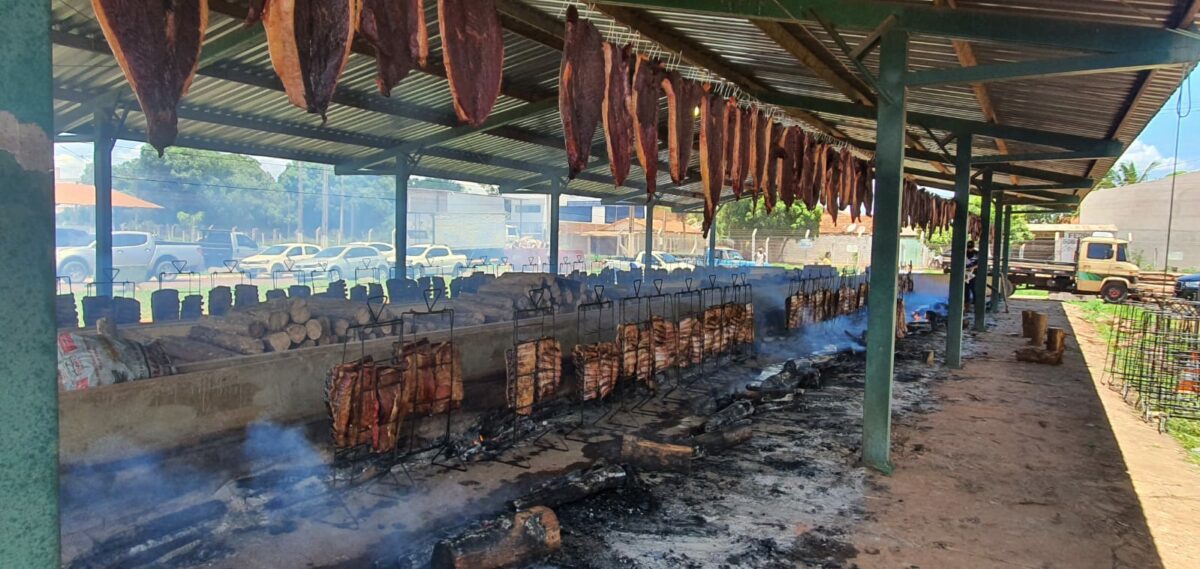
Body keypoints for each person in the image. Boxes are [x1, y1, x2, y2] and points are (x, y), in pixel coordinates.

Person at [964, 240, 979, 305]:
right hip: (965, 272)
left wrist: (973, 268)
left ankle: (975, 301)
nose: (969, 249)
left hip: (974, 272)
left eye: (971, 248)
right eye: (968, 248)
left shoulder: (977, 253)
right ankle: (966, 300)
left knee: (973, 287)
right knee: (966, 287)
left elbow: (980, 263)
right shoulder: (965, 253)